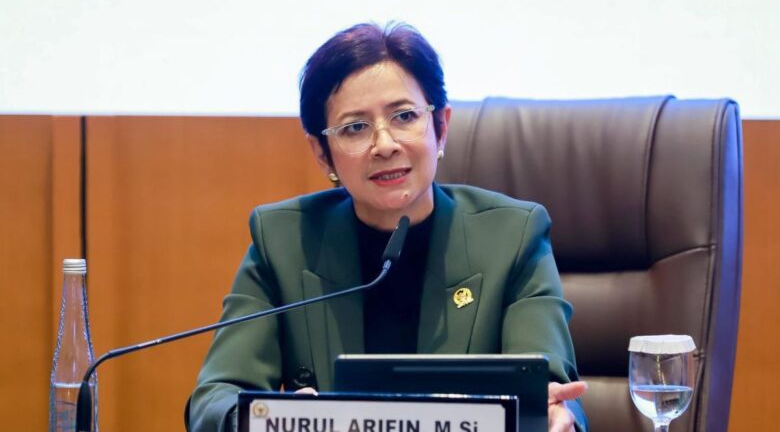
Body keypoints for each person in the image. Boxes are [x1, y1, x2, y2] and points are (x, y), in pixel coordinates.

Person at [187, 22, 588, 432]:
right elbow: (215, 398)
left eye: (405, 116)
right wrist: (269, 419)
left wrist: (554, 414)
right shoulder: (283, 241)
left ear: (441, 126)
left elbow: (551, 387)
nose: (384, 145)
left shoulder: (513, 237)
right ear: (322, 153)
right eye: (354, 127)